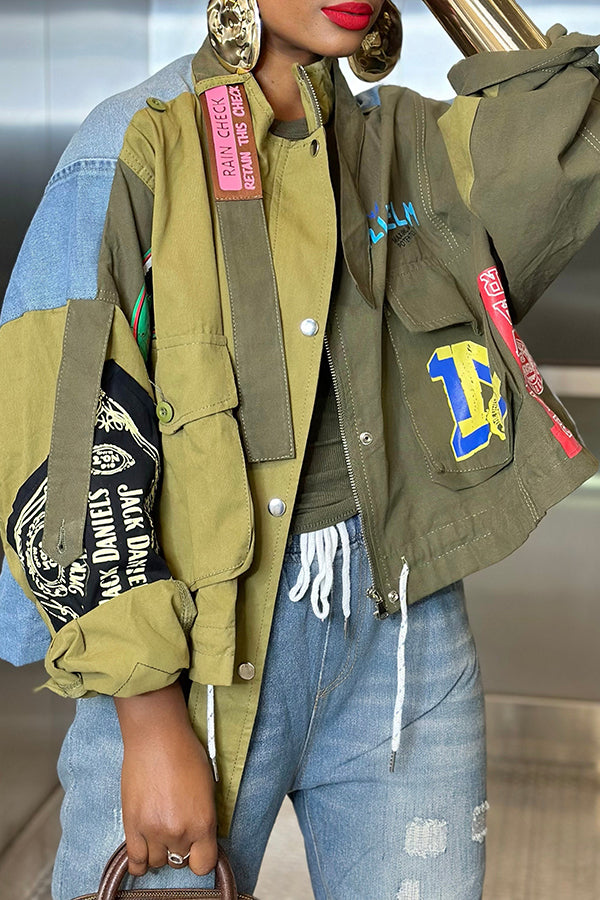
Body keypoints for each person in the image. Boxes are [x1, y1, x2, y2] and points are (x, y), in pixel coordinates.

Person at [0, 1, 599, 898]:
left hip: (407, 637)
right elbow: (68, 449)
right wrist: (149, 718)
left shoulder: (402, 142)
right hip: (199, 652)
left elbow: (571, 115)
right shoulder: (133, 146)